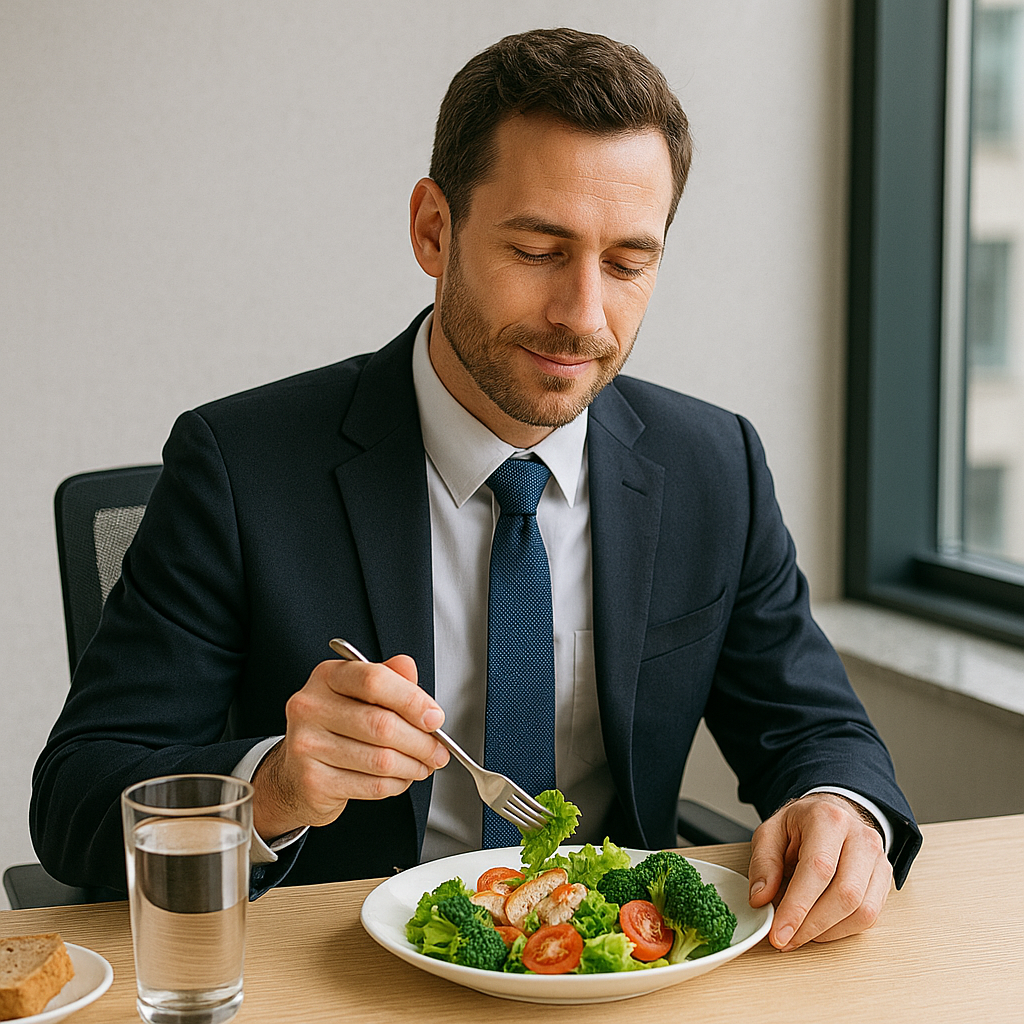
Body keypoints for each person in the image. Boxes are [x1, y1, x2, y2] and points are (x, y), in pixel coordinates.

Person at [32, 27, 920, 952]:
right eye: (539, 249)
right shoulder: (239, 465)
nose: (584, 315)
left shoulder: (714, 465)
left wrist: (839, 807)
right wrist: (272, 788)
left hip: (615, 979)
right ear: (433, 228)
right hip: (343, 980)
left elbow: (817, 729)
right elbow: (76, 800)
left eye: (627, 263)